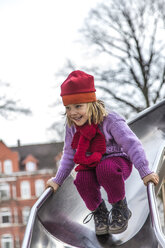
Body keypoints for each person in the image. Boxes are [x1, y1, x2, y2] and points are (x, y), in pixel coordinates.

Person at [47, 70, 159, 235]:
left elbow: (132, 144)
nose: (72, 113)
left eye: (78, 106)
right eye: (68, 108)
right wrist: (58, 180)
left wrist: (145, 171)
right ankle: (100, 213)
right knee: (82, 179)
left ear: (91, 103)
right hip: (90, 164)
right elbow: (69, 155)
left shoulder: (110, 120)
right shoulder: (72, 126)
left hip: (117, 162)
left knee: (105, 168)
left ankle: (120, 208)